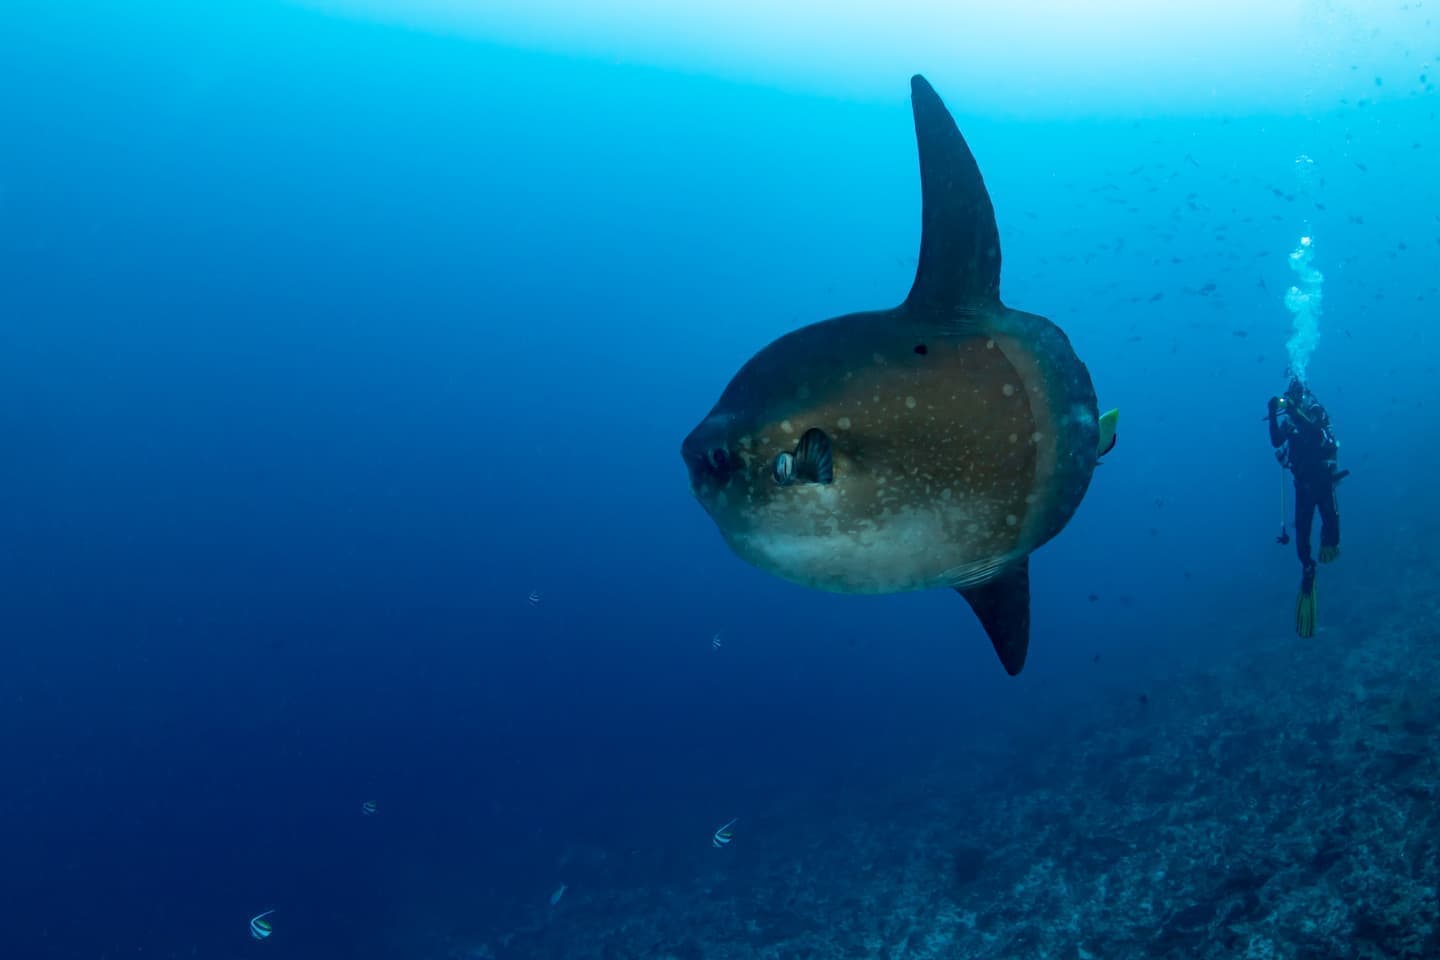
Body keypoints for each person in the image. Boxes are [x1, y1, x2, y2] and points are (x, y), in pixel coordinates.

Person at [1268, 377, 1347, 638]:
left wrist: (1293, 410)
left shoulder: (1315, 412)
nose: (1293, 399)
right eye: (1290, 396)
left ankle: (1329, 545)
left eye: (1296, 395)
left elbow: (1315, 434)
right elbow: (1276, 441)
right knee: (1302, 538)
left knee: (1332, 531)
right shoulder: (1290, 421)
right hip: (1302, 486)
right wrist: (1272, 414)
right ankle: (1308, 570)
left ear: (1303, 395)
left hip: (1322, 481)